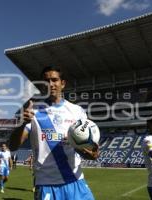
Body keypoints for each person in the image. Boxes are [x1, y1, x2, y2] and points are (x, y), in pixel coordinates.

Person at [9, 66, 99, 200]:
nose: (50, 84)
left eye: (54, 80)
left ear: (62, 83)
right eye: (46, 81)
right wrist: (22, 123)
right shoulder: (33, 112)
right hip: (47, 186)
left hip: (76, 182)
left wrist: (90, 152)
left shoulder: (77, 111)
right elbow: (12, 146)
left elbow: (92, 152)